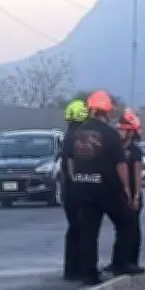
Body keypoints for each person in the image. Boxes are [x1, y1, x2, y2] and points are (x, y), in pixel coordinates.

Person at [65, 90, 143, 285]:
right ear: (107, 111)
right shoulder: (110, 134)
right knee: (127, 221)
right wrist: (126, 189)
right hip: (106, 189)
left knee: (88, 232)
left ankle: (89, 273)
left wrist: (77, 179)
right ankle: (121, 263)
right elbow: (120, 164)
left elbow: (71, 161)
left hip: (83, 188)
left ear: (90, 109)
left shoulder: (78, 133)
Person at [61, 99, 87, 280]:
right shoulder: (77, 138)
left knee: (73, 228)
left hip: (67, 190)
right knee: (81, 228)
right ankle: (76, 268)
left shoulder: (67, 136)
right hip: (76, 189)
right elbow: (72, 165)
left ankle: (71, 267)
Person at [117, 110, 144, 268]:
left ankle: (132, 261)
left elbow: (137, 175)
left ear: (130, 131)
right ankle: (119, 261)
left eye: (123, 129)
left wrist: (135, 196)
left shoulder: (134, 151)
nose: (120, 131)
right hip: (120, 195)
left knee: (132, 228)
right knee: (122, 229)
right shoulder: (118, 149)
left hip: (132, 195)